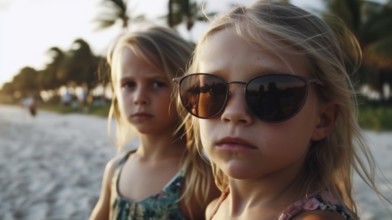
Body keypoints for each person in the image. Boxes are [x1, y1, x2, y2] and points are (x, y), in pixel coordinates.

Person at [174, 1, 391, 219]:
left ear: (323, 120)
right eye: (211, 90)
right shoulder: (215, 207)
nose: (233, 113)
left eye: (270, 94)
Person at [89, 26, 219, 220]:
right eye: (128, 85)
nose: (139, 98)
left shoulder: (201, 180)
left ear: (188, 90)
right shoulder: (115, 170)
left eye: (157, 83)